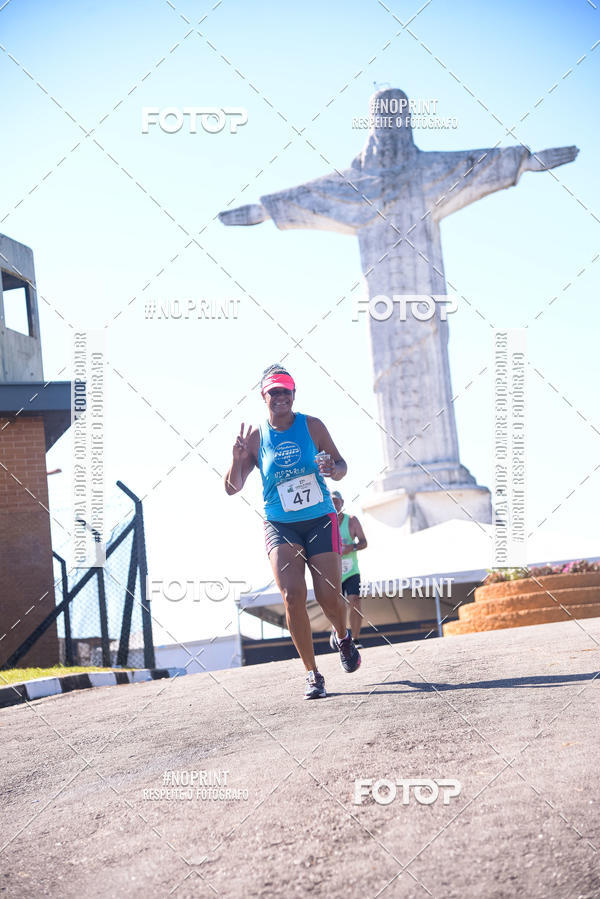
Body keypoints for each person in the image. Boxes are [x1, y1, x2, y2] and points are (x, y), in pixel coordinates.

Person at [224, 364, 361, 699]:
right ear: (263, 396)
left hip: (319, 518)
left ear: (294, 394)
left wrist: (333, 469)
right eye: (274, 391)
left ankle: (342, 637)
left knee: (328, 595)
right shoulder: (255, 438)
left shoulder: (312, 426)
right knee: (292, 595)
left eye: (286, 391)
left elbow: (341, 468)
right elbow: (232, 487)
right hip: (280, 523)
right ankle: (313, 675)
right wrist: (237, 459)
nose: (281, 397)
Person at [330, 491, 368, 648]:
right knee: (335, 605)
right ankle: (337, 633)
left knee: (355, 602)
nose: (334, 504)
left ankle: (356, 639)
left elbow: (364, 542)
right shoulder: (324, 523)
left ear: (342, 502)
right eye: (331, 501)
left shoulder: (351, 521)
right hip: (333, 572)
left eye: (336, 501)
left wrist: (350, 547)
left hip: (351, 571)